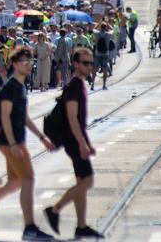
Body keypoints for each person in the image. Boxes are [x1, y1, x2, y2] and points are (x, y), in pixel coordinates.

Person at [0, 47, 56, 242]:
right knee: (28, 179)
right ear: (13, 64)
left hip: (15, 141)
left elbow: (24, 117)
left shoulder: (20, 87)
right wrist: (13, 144)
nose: (28, 65)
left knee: (14, 184)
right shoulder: (10, 87)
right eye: (23, 62)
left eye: (29, 61)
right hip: (10, 142)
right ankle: (29, 228)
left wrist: (41, 137)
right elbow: (5, 116)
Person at [43, 47, 103, 239]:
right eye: (85, 63)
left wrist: (87, 142)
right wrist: (82, 144)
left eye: (91, 63)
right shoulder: (73, 87)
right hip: (72, 140)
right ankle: (55, 210)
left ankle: (81, 225)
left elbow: (79, 119)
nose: (90, 66)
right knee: (87, 181)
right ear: (76, 64)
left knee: (81, 182)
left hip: (76, 139)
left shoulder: (80, 85)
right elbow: (72, 118)